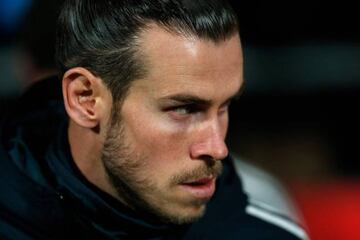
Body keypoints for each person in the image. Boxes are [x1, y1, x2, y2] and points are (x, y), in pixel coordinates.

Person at [0, 0, 307, 239]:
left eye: (224, 106)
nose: (217, 148)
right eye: (184, 109)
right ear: (85, 99)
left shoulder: (260, 233)